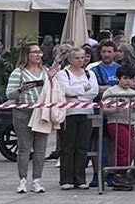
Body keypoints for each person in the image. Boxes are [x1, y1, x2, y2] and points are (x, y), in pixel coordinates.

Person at [6, 41, 53, 193]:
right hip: (23, 111)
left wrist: (52, 79)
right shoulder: (18, 72)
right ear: (26, 55)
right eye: (34, 52)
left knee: (41, 148)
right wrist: (21, 89)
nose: (38, 55)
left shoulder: (46, 71)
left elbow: (54, 90)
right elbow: (9, 94)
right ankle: (22, 179)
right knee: (24, 147)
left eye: (39, 52)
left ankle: (37, 180)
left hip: (42, 111)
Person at [54, 46, 99, 189]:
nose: (80, 61)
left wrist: (77, 95)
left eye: (82, 57)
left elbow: (94, 91)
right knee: (68, 146)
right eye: (77, 58)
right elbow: (65, 90)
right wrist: (82, 90)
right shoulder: (63, 74)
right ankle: (66, 179)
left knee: (82, 146)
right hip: (69, 113)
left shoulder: (89, 73)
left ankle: (80, 179)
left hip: (86, 112)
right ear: (70, 59)